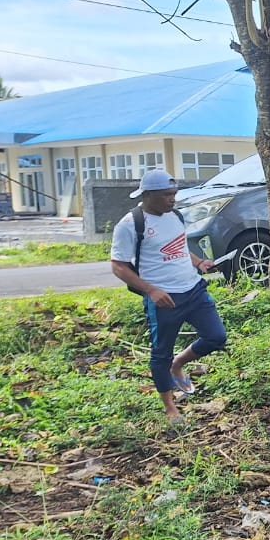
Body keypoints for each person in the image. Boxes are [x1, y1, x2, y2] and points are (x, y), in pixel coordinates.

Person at [110, 169, 227, 426]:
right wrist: (151, 290)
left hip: (194, 289)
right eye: (166, 195)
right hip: (164, 299)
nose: (172, 200)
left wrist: (200, 263)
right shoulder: (131, 224)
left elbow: (180, 247)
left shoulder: (175, 215)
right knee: (160, 352)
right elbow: (118, 266)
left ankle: (178, 364)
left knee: (216, 337)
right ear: (148, 195)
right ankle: (170, 408)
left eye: (174, 194)